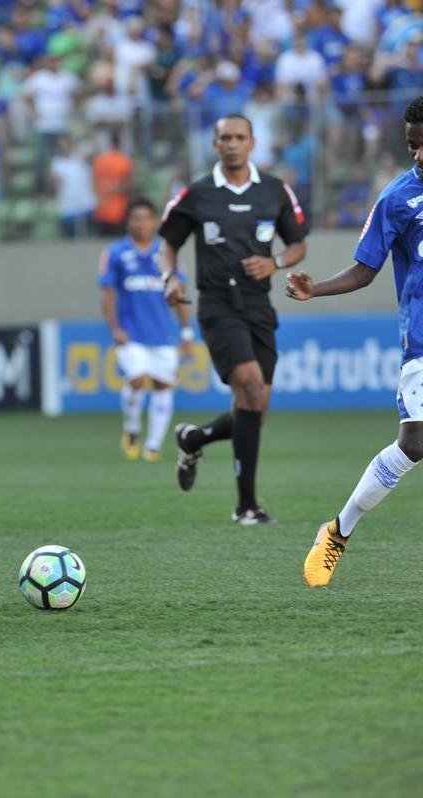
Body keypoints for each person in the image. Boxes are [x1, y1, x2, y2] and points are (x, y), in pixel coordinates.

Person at [287, 95, 423, 586]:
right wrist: (315, 288)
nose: (420, 155)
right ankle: (338, 532)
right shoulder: (397, 200)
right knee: (415, 443)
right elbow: (366, 271)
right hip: (422, 340)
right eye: (413, 145)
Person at [159, 114, 310, 525]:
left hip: (258, 305)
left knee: (255, 408)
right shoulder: (198, 193)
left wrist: (274, 262)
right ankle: (246, 507)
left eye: (239, 137)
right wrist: (170, 276)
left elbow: (298, 244)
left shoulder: (274, 190)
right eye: (224, 137)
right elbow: (167, 245)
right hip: (217, 303)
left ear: (252, 142)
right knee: (248, 384)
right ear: (214, 143)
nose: (231, 144)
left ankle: (194, 438)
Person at [99, 198, 192, 462]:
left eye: (146, 218)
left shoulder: (167, 254)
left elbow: (179, 295)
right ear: (128, 221)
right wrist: (115, 328)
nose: (141, 223)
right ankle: (132, 429)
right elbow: (107, 293)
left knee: (162, 385)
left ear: (154, 221)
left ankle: (153, 445)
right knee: (137, 379)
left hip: (163, 333)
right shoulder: (115, 253)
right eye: (135, 218)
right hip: (131, 333)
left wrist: (186, 333)